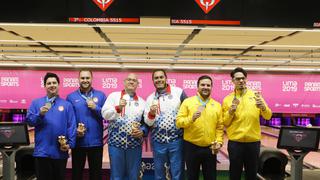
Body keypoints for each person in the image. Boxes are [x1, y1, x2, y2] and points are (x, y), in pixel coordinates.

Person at [222, 67, 272, 180]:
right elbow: (225, 122)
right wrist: (230, 112)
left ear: (246, 79)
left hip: (253, 143)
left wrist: (263, 107)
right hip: (235, 143)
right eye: (238, 79)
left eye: (243, 78)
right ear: (232, 81)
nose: (241, 81)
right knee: (234, 174)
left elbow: (268, 116)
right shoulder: (227, 99)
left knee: (252, 173)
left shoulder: (256, 96)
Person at [26, 72, 76, 180]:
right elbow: (30, 122)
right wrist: (40, 114)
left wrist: (70, 144)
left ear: (58, 85)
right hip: (42, 152)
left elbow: (71, 125)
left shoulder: (67, 105)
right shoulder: (36, 103)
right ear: (44, 86)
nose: (52, 85)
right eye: (49, 83)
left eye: (54, 82)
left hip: (60, 152)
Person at [176, 75, 224, 180]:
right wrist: (191, 118)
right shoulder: (188, 102)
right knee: (192, 177)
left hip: (210, 148)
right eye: (202, 85)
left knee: (210, 177)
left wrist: (219, 142)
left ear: (211, 87)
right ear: (197, 87)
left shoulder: (217, 105)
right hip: (191, 147)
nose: (205, 87)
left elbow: (220, 127)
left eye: (208, 85)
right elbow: (179, 122)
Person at [101, 73, 148, 179]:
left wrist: (142, 131)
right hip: (116, 145)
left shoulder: (142, 102)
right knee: (116, 176)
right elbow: (105, 114)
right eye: (129, 79)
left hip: (134, 145)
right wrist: (118, 108)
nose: (131, 82)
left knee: (134, 176)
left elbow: (146, 123)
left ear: (137, 84)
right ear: (124, 82)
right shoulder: (113, 96)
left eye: (134, 80)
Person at [144, 69, 187, 180]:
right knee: (159, 174)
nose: (159, 80)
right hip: (158, 142)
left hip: (176, 140)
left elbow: (188, 111)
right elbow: (148, 122)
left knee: (177, 173)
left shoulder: (178, 92)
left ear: (166, 78)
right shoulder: (150, 99)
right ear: (153, 81)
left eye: (161, 77)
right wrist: (151, 114)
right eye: (156, 78)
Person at [66, 70, 107, 180]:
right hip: (78, 142)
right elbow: (68, 120)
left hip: (96, 142)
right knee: (77, 174)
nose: (85, 80)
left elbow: (107, 115)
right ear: (78, 79)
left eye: (87, 78)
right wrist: (75, 131)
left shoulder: (101, 95)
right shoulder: (71, 97)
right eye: (82, 78)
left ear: (92, 79)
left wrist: (96, 107)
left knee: (96, 174)